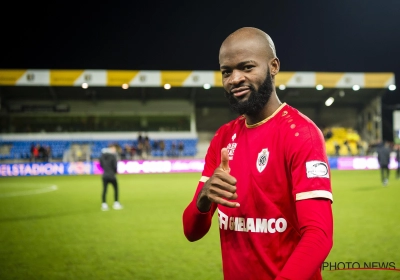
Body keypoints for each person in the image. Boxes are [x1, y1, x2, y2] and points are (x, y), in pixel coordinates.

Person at [182, 27, 333, 280]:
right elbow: (191, 231)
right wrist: (203, 199)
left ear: (273, 66)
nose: (234, 79)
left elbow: (319, 235)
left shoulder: (301, 134)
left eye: (247, 67)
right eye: (226, 72)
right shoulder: (223, 138)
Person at [99, 145, 123, 211]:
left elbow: (101, 165)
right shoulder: (113, 156)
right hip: (112, 175)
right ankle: (116, 203)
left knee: (104, 190)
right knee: (116, 189)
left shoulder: (102, 157)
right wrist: (114, 172)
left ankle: (104, 204)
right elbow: (115, 166)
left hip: (105, 175)